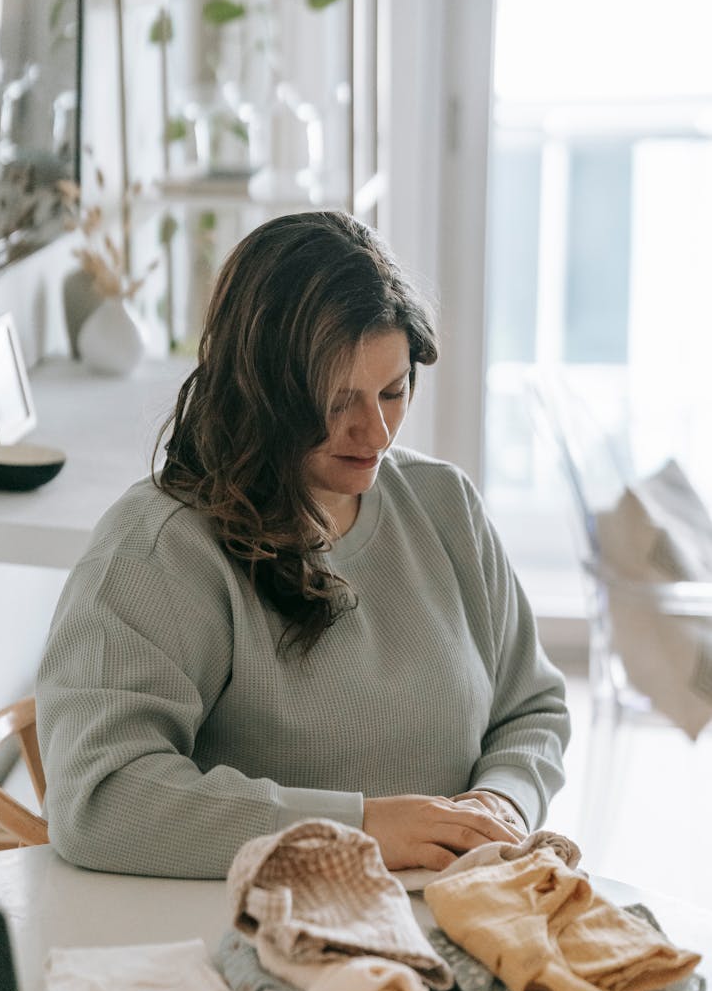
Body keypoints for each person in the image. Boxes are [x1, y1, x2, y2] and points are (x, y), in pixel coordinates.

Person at [36, 210, 570, 880]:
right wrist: (359, 830)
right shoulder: (161, 549)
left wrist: (501, 801)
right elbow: (101, 799)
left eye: (394, 391)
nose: (374, 433)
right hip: (255, 940)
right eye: (335, 401)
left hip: (449, 921)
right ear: (260, 390)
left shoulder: (444, 506)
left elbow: (532, 708)